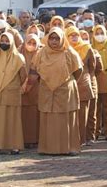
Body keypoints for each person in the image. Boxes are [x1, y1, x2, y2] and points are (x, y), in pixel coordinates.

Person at [34, 27, 83, 155]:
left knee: (65, 119)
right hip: (47, 90)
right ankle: (46, 148)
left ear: (62, 39)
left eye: (57, 38)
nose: (54, 41)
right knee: (48, 118)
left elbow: (78, 71)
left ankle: (68, 148)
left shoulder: (69, 52)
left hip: (65, 90)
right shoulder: (41, 53)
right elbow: (35, 70)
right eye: (51, 38)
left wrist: (66, 82)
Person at [0, 32, 26, 155]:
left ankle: (15, 146)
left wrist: (12, 85)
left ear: (12, 42)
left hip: (12, 92)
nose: (4, 43)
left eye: (7, 41)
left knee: (12, 119)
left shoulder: (19, 58)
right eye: (2, 41)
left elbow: (23, 76)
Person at [66, 26, 95, 145]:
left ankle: (82, 139)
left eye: (76, 35)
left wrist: (87, 77)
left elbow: (94, 67)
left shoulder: (87, 48)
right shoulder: (64, 49)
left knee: (83, 115)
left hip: (83, 84)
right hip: (68, 86)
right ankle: (71, 139)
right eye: (71, 35)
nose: (74, 37)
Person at [80, 30, 103, 144]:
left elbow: (96, 68)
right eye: (81, 37)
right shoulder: (73, 51)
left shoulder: (92, 51)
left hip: (90, 82)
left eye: (85, 38)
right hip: (78, 86)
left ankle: (90, 136)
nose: (83, 40)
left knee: (91, 112)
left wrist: (89, 76)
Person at [19, 33, 42, 146]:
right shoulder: (19, 53)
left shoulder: (41, 54)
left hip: (37, 88)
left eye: (34, 43)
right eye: (29, 43)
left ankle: (35, 139)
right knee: (23, 114)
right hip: (20, 88)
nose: (31, 45)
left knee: (34, 115)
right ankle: (23, 139)